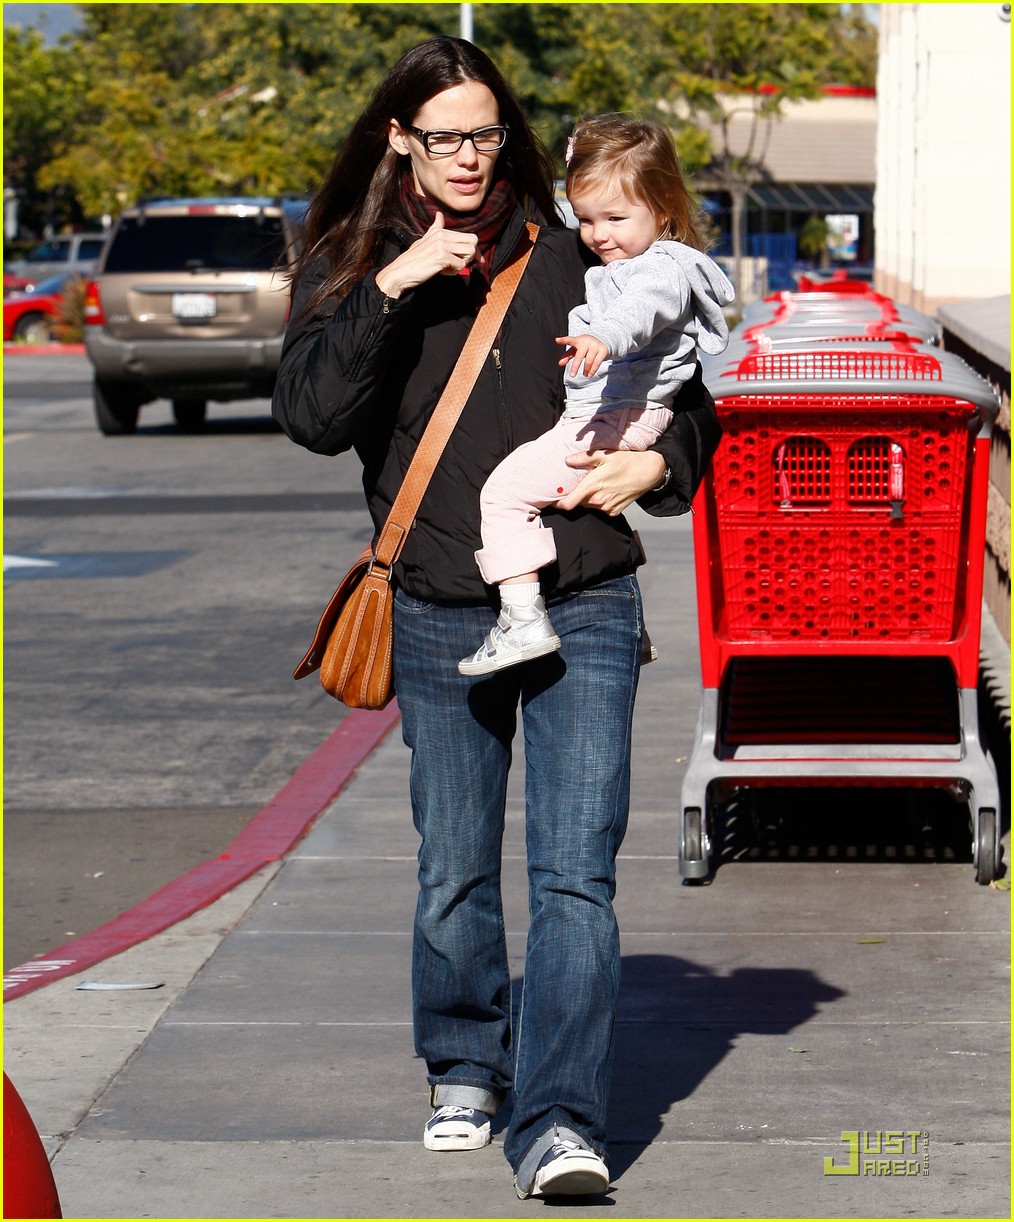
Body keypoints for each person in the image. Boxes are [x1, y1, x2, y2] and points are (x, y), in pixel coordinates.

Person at [272, 35, 721, 1201]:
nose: (471, 156)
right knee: (455, 868)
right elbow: (314, 418)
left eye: (486, 133)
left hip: (587, 600)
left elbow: (690, 397)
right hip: (432, 606)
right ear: (399, 141)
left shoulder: (579, 250)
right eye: (445, 137)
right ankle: (466, 1060)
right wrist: (398, 282)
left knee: (577, 875)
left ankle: (560, 1117)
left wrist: (656, 467)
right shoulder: (352, 259)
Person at [459, 115, 734, 676]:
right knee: (541, 491)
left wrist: (602, 339)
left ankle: (522, 618)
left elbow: (640, 312)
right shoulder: (633, 262)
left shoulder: (657, 269)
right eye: (584, 218)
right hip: (621, 415)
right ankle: (579, 624)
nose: (597, 234)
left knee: (505, 496)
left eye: (615, 218)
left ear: (663, 209)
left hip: (616, 416)